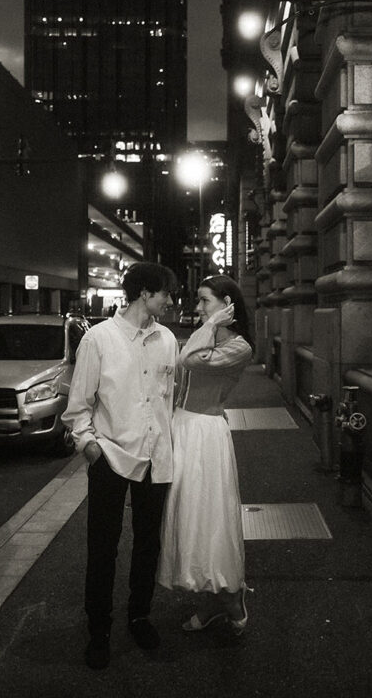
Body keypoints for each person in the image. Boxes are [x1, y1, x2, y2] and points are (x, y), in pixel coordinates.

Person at [62, 261, 179, 670]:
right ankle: (99, 629)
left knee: (148, 543)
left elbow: (168, 399)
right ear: (144, 293)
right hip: (110, 456)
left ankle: (139, 616)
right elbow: (79, 404)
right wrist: (89, 446)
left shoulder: (167, 340)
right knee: (103, 547)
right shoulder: (99, 339)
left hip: (155, 456)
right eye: (165, 293)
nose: (170, 300)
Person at [157, 274, 253, 634]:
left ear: (227, 304)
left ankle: (230, 594)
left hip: (205, 434)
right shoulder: (207, 335)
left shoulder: (239, 347)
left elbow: (189, 359)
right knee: (189, 517)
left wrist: (211, 324)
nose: (198, 308)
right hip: (183, 429)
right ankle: (210, 597)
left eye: (204, 301)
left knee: (210, 518)